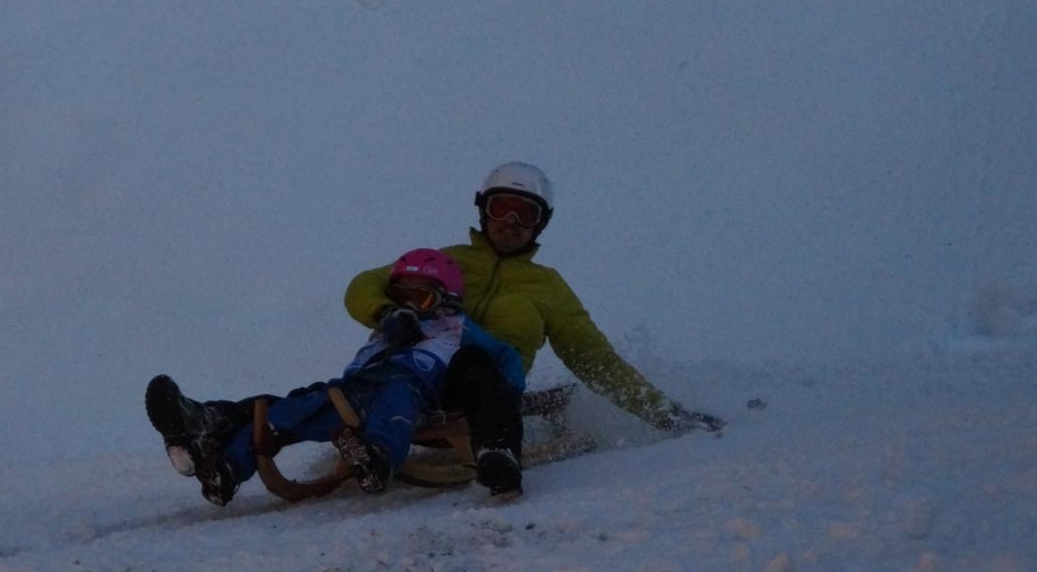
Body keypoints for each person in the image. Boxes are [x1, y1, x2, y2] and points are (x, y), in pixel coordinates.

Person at [343, 163, 725, 487]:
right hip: (415, 376)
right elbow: (364, 285)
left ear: (541, 224)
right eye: (501, 209)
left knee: (474, 362)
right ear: (483, 211)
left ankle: (497, 451)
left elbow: (593, 357)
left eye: (524, 214)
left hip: (487, 394)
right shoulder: (447, 262)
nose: (510, 223)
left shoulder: (547, 287)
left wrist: (665, 413)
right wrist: (386, 313)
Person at [146, 249, 528, 505]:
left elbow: (505, 356)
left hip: (408, 386)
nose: (410, 306)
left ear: (446, 300)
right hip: (349, 391)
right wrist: (390, 323)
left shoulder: (456, 326)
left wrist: (508, 395)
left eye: (422, 298)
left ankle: (377, 457)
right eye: (402, 297)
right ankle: (226, 468)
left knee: (393, 412)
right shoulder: (386, 327)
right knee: (286, 412)